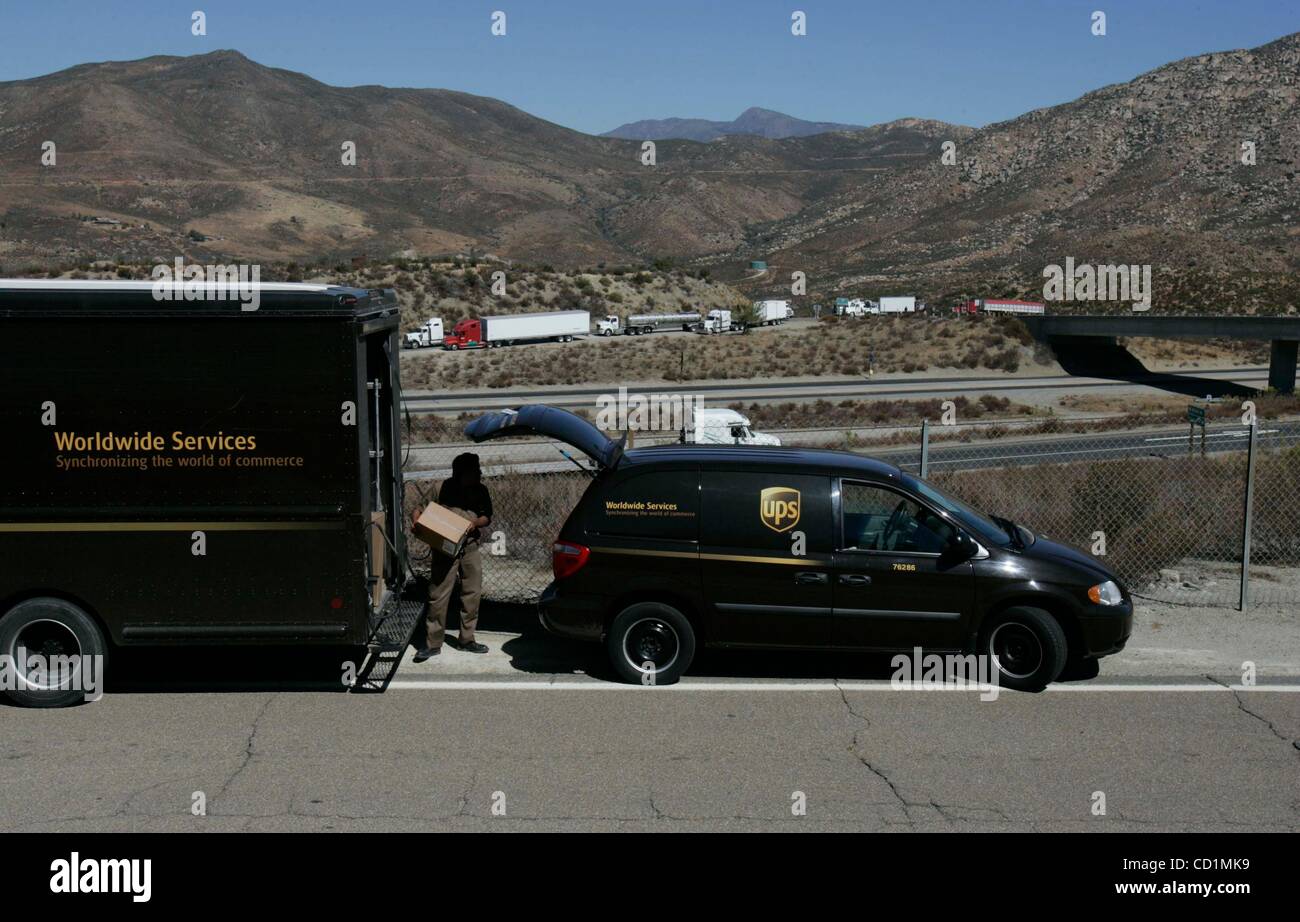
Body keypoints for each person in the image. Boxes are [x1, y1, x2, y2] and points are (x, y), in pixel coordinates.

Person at [412, 452, 492, 661]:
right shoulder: (442, 488)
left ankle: (467, 640)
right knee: (439, 594)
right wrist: (418, 521)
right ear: (461, 473)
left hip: (470, 547)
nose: (479, 473)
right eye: (474, 470)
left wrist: (475, 523)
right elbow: (419, 508)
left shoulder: (480, 490)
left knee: (472, 593)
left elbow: (487, 516)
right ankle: (432, 643)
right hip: (445, 549)